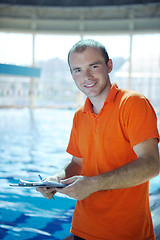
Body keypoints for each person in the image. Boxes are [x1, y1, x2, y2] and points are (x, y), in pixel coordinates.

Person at [36, 39, 160, 240]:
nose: (86, 76)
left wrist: (93, 184)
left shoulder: (133, 103)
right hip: (82, 229)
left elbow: (152, 164)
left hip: (127, 233)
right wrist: (56, 179)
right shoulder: (79, 115)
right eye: (78, 70)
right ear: (72, 74)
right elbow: (78, 163)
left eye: (93, 66)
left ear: (109, 66)